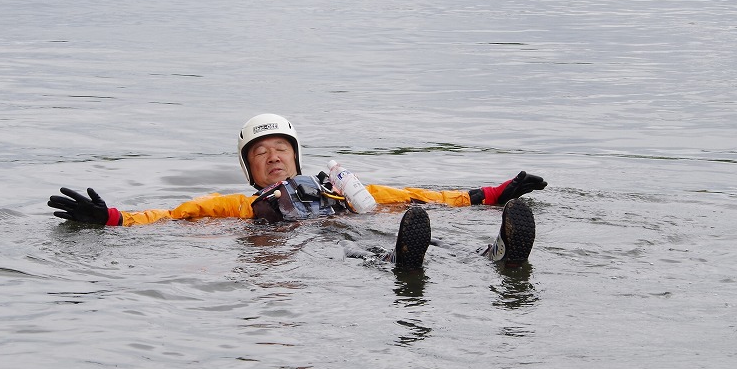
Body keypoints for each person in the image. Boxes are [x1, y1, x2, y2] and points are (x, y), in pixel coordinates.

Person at [48, 113, 547, 269]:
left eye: (279, 148)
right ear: (249, 170)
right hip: (306, 246)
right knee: (356, 249)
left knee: (411, 229)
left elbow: (425, 196)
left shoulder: (343, 189)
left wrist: (496, 192)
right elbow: (174, 216)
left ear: (297, 156)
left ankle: (497, 253)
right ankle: (404, 263)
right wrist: (110, 218)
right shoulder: (241, 205)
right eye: (259, 153)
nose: (272, 156)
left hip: (358, 225)